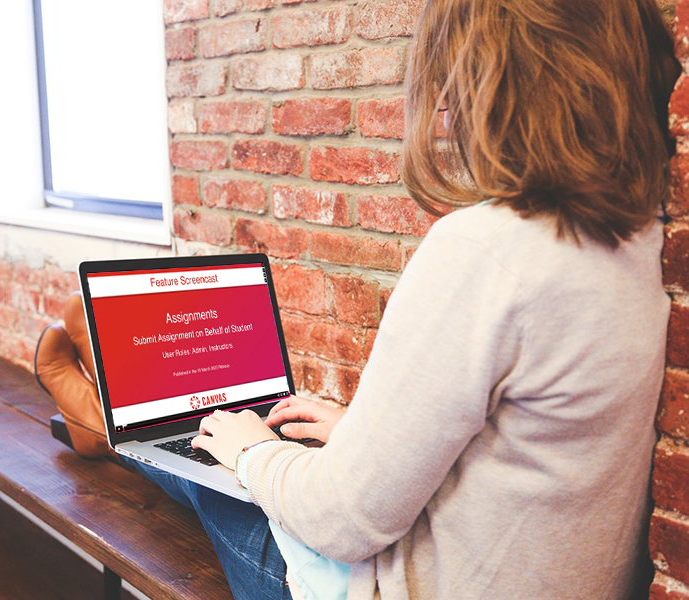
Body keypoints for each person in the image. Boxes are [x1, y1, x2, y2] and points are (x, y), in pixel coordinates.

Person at [35, 0, 681, 597]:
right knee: (244, 442)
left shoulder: (487, 251)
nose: (446, 103)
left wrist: (254, 450)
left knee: (219, 468)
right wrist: (361, 437)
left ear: (491, 81)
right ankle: (117, 417)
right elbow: (531, 450)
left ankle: (106, 419)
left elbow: (344, 523)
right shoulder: (648, 244)